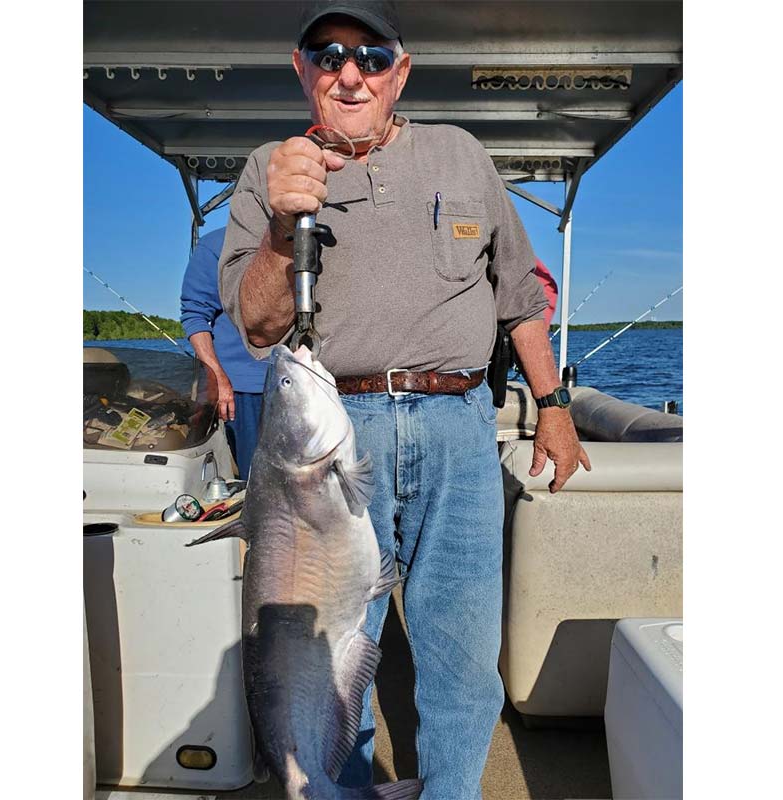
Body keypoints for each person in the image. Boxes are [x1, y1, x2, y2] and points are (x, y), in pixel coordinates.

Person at [218, 2, 591, 797]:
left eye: (371, 56)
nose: (349, 73)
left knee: (461, 657)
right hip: (331, 429)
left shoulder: (459, 155)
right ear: (301, 70)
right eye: (327, 56)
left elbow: (519, 296)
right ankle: (334, 789)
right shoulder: (267, 170)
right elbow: (255, 323)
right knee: (337, 648)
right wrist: (285, 228)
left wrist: (552, 405)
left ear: (400, 71)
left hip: (459, 426)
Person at [180, 226, 267, 480]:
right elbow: (195, 314)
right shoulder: (215, 245)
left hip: (300, 384)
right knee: (255, 481)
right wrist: (217, 377)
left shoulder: (305, 238)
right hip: (243, 393)